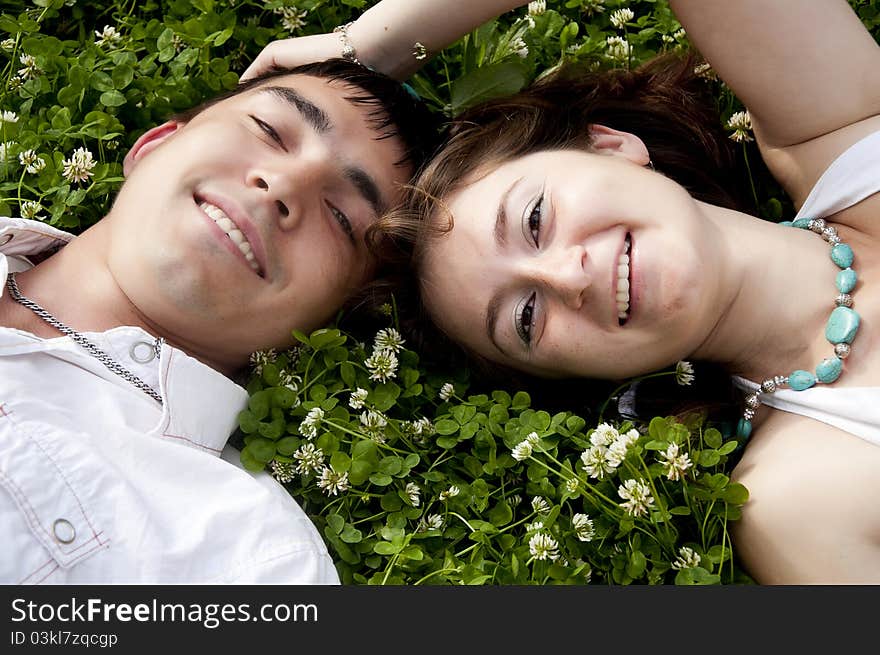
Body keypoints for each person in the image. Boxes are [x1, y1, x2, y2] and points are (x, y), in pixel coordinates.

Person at [246, 0, 880, 583]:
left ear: (611, 146)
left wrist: (363, 51)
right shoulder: (798, 504)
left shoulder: (841, 126)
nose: (569, 278)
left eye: (534, 220)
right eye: (526, 318)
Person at [0, 59, 438, 584]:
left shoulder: (254, 558)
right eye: (269, 130)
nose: (281, 184)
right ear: (155, 143)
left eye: (341, 218)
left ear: (334, 318)